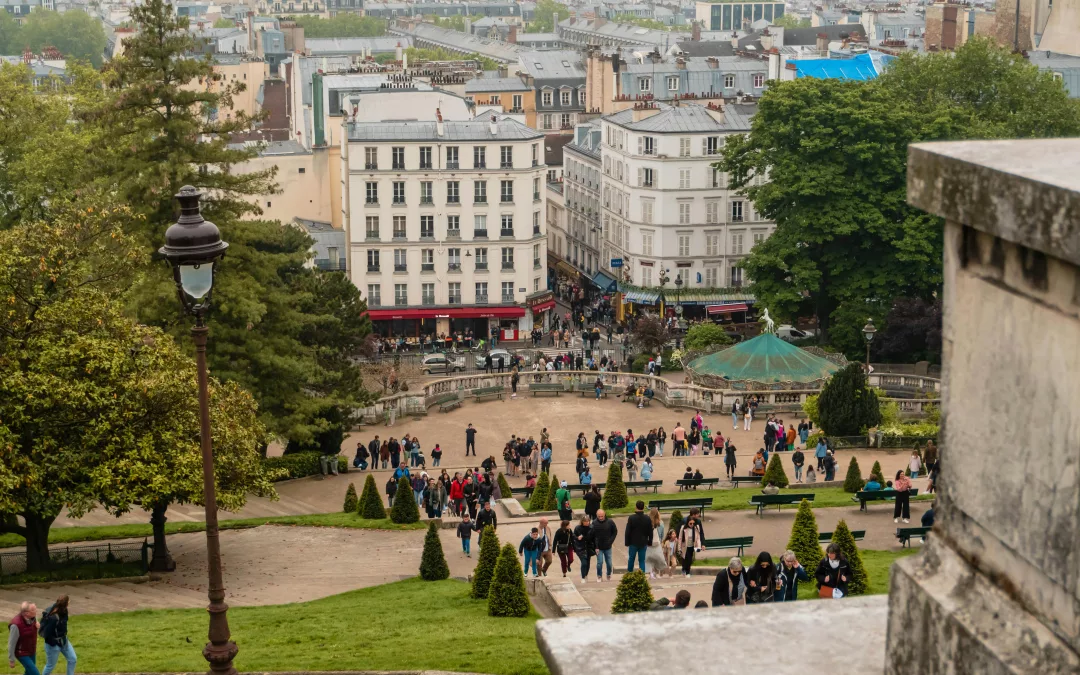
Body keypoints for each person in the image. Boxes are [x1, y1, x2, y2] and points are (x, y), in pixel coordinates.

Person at [39, 596, 74, 675]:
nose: (69, 602)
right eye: (68, 601)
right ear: (65, 604)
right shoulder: (53, 617)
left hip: (64, 641)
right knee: (50, 666)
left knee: (72, 659)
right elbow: (47, 634)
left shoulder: (64, 611)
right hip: (53, 645)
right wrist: (54, 643)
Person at [7, 602, 38, 675]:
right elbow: (11, 644)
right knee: (35, 673)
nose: (36, 611)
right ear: (26, 613)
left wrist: (38, 627)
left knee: (29, 672)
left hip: (31, 651)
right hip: (22, 653)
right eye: (34, 610)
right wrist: (11, 659)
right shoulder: (15, 625)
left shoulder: (33, 618)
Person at [624, 501, 654, 573]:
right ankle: (642, 575)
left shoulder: (631, 518)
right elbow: (650, 531)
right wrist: (650, 541)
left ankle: (629, 573)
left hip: (633, 542)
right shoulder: (647, 518)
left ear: (636, 507)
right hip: (643, 542)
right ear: (643, 507)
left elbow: (627, 531)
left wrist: (627, 542)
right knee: (642, 560)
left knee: (631, 559)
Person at [591, 509, 618, 582]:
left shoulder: (610, 522)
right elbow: (593, 536)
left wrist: (611, 541)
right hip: (598, 547)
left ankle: (608, 574)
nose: (600, 518)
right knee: (599, 562)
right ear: (597, 515)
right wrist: (595, 546)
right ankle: (599, 576)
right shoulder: (594, 523)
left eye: (602, 516)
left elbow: (615, 531)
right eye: (599, 516)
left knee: (609, 563)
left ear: (604, 514)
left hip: (608, 546)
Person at [645, 508, 667, 579]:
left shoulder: (647, 522)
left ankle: (650, 573)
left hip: (649, 543)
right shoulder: (660, 522)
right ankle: (656, 572)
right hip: (657, 542)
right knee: (658, 558)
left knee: (649, 558)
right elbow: (662, 534)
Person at [572, 516, 595, 583]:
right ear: (582, 522)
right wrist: (577, 538)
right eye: (585, 521)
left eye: (588, 521)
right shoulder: (577, 528)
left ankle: (585, 575)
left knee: (588, 562)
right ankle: (583, 577)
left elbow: (594, 537)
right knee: (584, 562)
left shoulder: (591, 528)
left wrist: (596, 547)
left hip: (589, 547)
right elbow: (573, 536)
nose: (587, 523)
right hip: (580, 547)